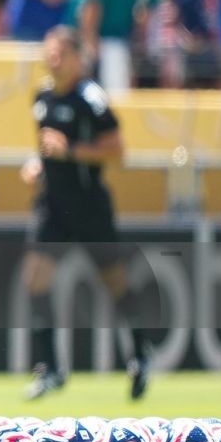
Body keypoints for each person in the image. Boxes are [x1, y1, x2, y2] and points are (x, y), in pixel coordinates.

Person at [19, 25, 148, 401]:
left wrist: (71, 150)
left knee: (115, 283)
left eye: (59, 53)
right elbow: (48, 149)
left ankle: (140, 354)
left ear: (77, 57)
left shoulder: (91, 97)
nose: (51, 60)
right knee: (34, 279)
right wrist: (38, 164)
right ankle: (50, 369)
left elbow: (117, 151)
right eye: (49, 53)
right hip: (53, 204)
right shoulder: (41, 96)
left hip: (89, 203)